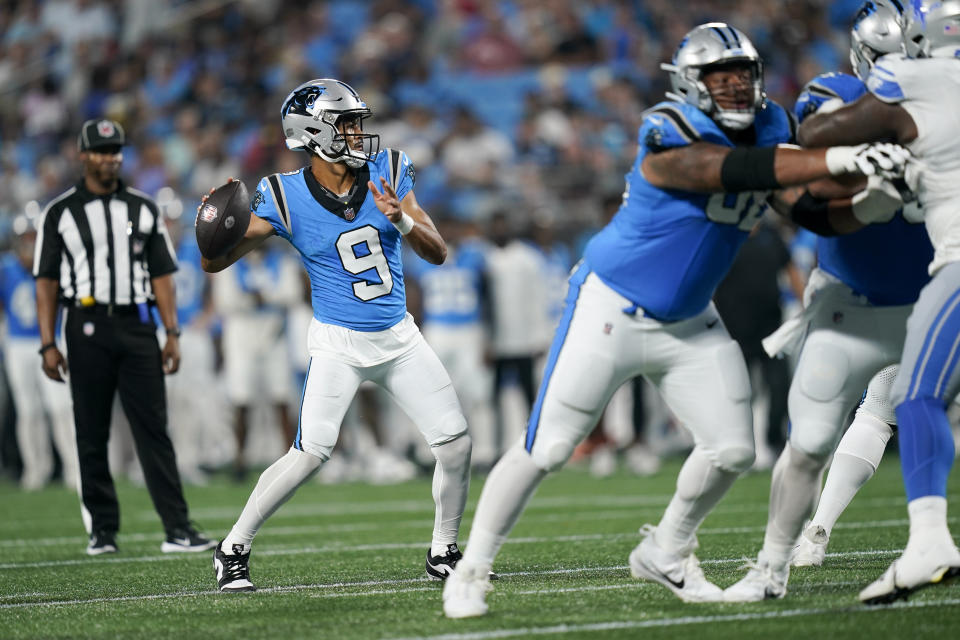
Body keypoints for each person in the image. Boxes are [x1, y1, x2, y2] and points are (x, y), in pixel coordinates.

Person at [441, 22, 910, 617]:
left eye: (743, 73)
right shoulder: (668, 127)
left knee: (733, 449)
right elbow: (720, 170)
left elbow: (808, 210)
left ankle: (667, 549)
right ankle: (472, 571)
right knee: (550, 447)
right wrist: (840, 156)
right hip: (610, 306)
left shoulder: (771, 127)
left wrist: (873, 200)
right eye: (720, 76)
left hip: (690, 319)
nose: (735, 85)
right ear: (692, 83)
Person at [204, 79, 475, 592]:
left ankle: (444, 550)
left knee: (456, 445)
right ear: (311, 133)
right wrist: (216, 224)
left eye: (356, 121)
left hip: (400, 337)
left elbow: (438, 252)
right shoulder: (281, 195)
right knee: (310, 454)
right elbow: (214, 261)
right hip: (338, 343)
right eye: (345, 122)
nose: (357, 132)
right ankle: (233, 547)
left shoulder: (390, 170)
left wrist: (405, 221)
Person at [724, 0, 936, 599]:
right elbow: (807, 182)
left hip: (930, 300)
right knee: (813, 438)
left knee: (892, 414)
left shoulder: (938, 105)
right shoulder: (838, 99)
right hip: (851, 302)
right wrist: (862, 168)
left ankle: (897, 538)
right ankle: (778, 561)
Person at [792, 0, 960, 604]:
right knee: (899, 400)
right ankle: (909, 538)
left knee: (904, 399)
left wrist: (854, 155)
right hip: (922, 279)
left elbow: (811, 138)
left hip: (936, 277)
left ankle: (916, 541)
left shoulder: (909, 83)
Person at [33, 118, 216, 555]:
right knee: (91, 430)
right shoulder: (59, 213)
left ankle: (177, 528)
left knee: (153, 427)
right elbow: (46, 282)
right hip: (85, 325)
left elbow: (163, 276)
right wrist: (48, 341)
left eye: (115, 151)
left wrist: (170, 332)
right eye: (100, 151)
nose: (109, 158)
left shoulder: (143, 207)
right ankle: (102, 529)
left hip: (137, 326)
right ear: (83, 155)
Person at [0, 216, 77, 490]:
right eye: (27, 237)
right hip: (18, 343)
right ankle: (36, 469)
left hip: (52, 340)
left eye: (35, 237)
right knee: (28, 410)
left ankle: (73, 468)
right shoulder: (6, 267)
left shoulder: (56, 263)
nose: (30, 244)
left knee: (59, 408)